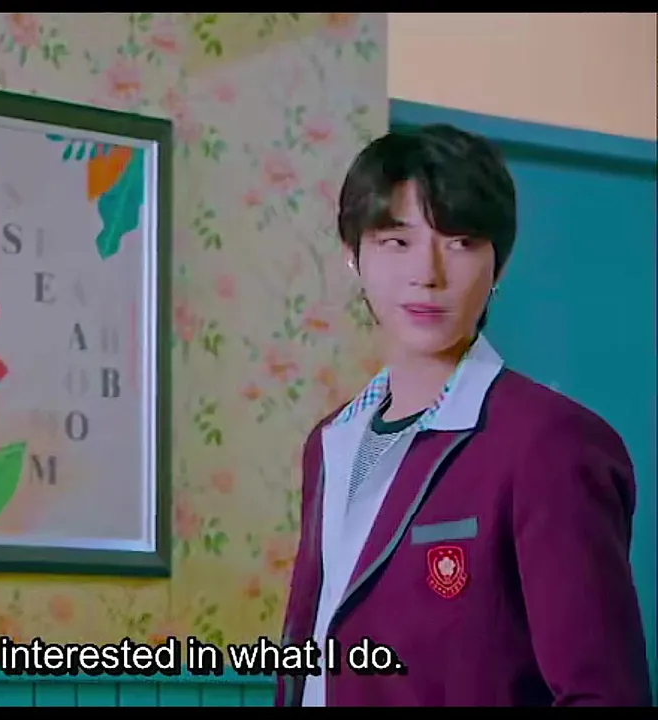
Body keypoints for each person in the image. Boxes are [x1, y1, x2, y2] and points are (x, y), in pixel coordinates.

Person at [276, 124, 652, 707]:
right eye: (396, 241)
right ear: (353, 257)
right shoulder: (330, 442)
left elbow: (603, 693)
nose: (426, 273)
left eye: (459, 242)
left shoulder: (550, 442)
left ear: (497, 266)